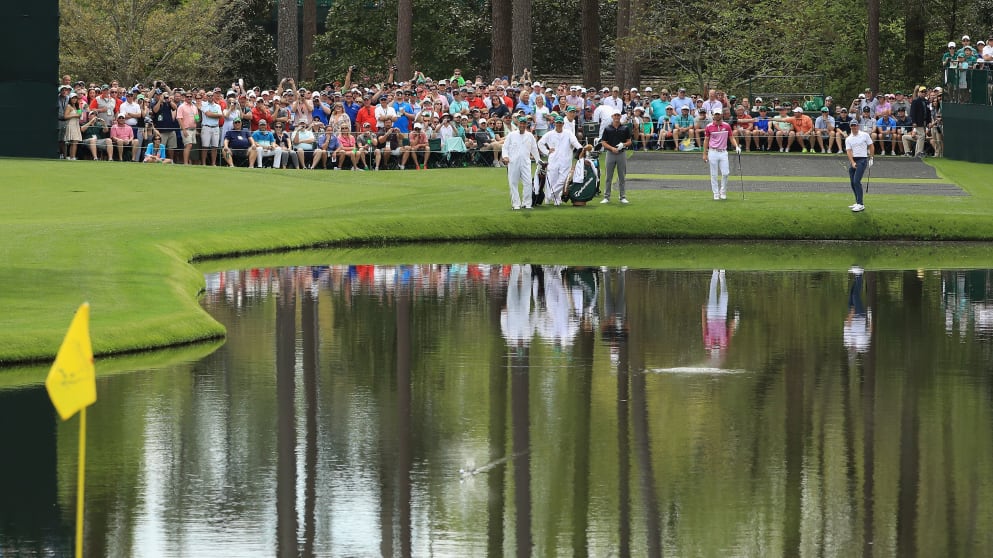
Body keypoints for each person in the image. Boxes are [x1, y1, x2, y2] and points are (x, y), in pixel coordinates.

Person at [538, 115, 582, 205]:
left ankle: (550, 195)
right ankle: (555, 199)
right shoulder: (550, 134)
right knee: (552, 179)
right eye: (557, 123)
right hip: (553, 160)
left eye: (560, 123)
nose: (559, 124)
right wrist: (547, 151)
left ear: (563, 124)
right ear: (554, 123)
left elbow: (574, 142)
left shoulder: (568, 133)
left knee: (563, 180)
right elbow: (540, 143)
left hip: (566, 160)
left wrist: (580, 148)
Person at [500, 115, 541, 210]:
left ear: (526, 124)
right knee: (513, 183)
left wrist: (538, 160)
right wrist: (505, 156)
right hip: (513, 162)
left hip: (526, 162)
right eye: (520, 123)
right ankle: (516, 204)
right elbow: (505, 147)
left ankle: (527, 203)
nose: (522, 125)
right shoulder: (511, 135)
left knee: (528, 182)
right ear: (518, 123)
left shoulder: (530, 136)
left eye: (524, 123)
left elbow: (534, 149)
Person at [702, 110, 740, 201]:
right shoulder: (709, 127)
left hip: (723, 152)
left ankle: (723, 192)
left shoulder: (726, 126)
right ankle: (715, 193)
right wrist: (704, 153)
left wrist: (737, 146)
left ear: (721, 115)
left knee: (726, 173)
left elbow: (731, 137)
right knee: (714, 174)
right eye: (716, 114)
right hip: (713, 152)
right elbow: (706, 140)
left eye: (719, 114)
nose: (717, 116)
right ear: (713, 115)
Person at [599, 112, 632, 204]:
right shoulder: (607, 128)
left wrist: (623, 144)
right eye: (615, 115)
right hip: (610, 153)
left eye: (618, 115)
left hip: (621, 153)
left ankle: (622, 197)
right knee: (608, 176)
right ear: (612, 116)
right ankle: (607, 197)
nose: (616, 117)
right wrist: (612, 148)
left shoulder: (625, 128)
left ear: (620, 116)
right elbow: (603, 142)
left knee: (622, 176)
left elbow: (629, 141)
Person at [844, 120, 873, 212]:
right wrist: (852, 162)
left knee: (856, 181)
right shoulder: (848, 139)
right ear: (850, 127)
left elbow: (871, 146)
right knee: (852, 182)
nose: (854, 127)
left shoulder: (864, 135)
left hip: (862, 159)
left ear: (858, 126)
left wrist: (871, 157)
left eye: (855, 126)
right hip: (854, 160)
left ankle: (861, 204)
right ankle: (857, 202)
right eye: (852, 126)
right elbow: (849, 151)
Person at [843, 266, 872, 355]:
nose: (852, 347)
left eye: (851, 349)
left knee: (852, 293)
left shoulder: (847, 341)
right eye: (853, 350)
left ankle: (857, 275)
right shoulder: (862, 342)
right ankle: (859, 274)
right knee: (855, 295)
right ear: (855, 351)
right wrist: (870, 316)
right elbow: (869, 330)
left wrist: (851, 312)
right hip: (860, 316)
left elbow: (847, 324)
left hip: (852, 314)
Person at [908, 86, 929, 158]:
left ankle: (917, 153)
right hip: (918, 122)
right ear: (919, 92)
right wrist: (914, 122)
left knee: (921, 136)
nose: (923, 93)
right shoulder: (915, 101)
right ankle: (919, 152)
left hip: (924, 121)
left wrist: (928, 121)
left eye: (925, 92)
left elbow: (928, 112)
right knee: (922, 135)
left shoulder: (926, 101)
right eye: (922, 92)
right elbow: (912, 113)